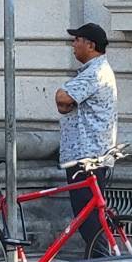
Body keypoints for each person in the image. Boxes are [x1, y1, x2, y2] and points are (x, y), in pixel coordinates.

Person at [54, 22, 118, 250]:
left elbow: (62, 98)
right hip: (89, 154)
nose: (73, 45)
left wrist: (64, 97)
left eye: (76, 40)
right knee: (90, 218)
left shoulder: (94, 73)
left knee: (88, 220)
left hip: (85, 157)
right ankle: (99, 261)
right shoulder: (94, 71)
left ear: (90, 45)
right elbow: (65, 103)